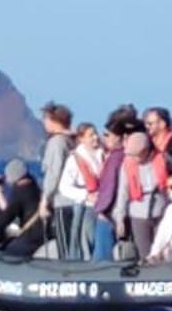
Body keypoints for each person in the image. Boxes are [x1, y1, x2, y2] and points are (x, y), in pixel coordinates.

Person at [110, 132, 170, 260]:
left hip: (161, 212)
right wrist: (120, 218)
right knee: (144, 253)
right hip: (138, 214)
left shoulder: (163, 159)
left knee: (163, 251)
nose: (133, 158)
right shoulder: (127, 165)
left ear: (145, 151)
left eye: (135, 154)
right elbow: (122, 192)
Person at [54, 122, 106, 260]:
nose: (95, 137)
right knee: (86, 242)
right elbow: (64, 187)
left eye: (95, 134)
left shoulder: (104, 155)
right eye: (90, 135)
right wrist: (85, 196)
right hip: (86, 208)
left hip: (104, 207)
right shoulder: (74, 160)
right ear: (81, 139)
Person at [90, 118, 133, 262]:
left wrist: (102, 209)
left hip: (109, 214)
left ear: (120, 137)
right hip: (121, 212)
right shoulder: (126, 156)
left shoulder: (115, 158)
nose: (105, 138)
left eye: (108, 135)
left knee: (102, 257)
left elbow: (110, 185)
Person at [35, 103, 74, 256]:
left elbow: (54, 173)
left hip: (63, 200)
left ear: (53, 120)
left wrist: (45, 200)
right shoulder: (71, 141)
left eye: (45, 119)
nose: (44, 123)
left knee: (65, 243)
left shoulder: (57, 143)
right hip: (74, 200)